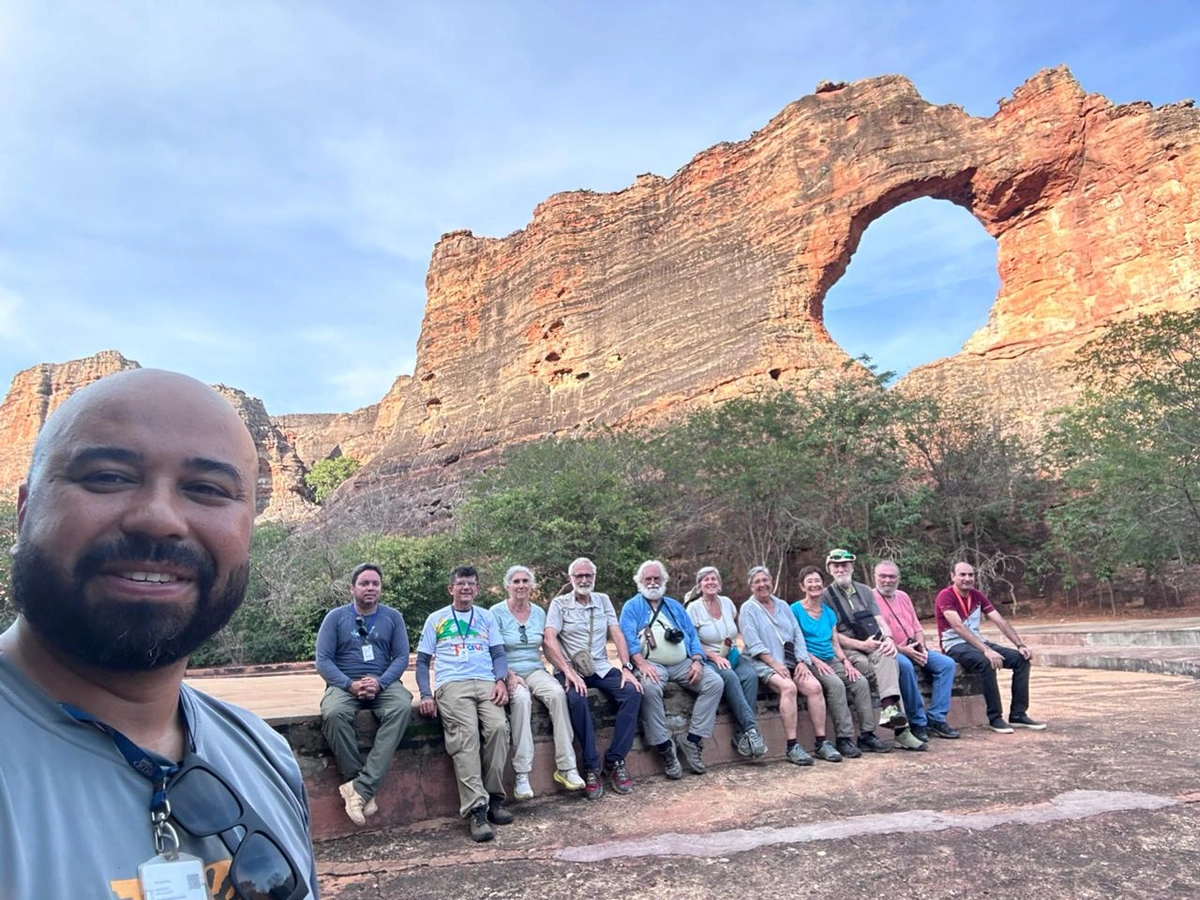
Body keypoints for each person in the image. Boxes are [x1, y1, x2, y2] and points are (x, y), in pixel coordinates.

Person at [0, 369, 317, 899]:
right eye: (108, 476)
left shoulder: (266, 755)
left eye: (207, 489)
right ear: (27, 509)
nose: (159, 519)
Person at [415, 566, 512, 842]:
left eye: (471, 584)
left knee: (497, 729)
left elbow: (498, 654)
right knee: (465, 738)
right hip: (452, 684)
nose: (466, 588)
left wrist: (501, 680)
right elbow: (422, 661)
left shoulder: (487, 617)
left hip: (486, 681)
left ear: (478, 589)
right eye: (460, 584)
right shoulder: (437, 619)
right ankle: (476, 809)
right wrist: (425, 693)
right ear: (451, 589)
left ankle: (494, 798)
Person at [316, 562, 413, 826]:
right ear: (352, 588)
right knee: (334, 713)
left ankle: (359, 789)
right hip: (344, 684)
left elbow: (402, 656)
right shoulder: (335, 618)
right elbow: (323, 660)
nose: (370, 588)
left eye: (375, 584)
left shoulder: (393, 617)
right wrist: (349, 684)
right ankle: (362, 788)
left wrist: (381, 682)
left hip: (383, 683)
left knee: (402, 706)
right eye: (364, 583)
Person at [542, 557, 643, 800]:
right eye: (579, 576)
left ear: (594, 578)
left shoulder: (603, 600)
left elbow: (617, 634)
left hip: (599, 666)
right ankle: (590, 766)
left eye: (589, 576)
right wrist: (567, 671)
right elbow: (549, 639)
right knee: (576, 701)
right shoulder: (560, 604)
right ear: (571, 579)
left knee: (633, 692)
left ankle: (615, 759)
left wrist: (626, 667)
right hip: (571, 669)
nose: (584, 580)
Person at [620, 560, 725, 778]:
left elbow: (691, 635)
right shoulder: (632, 607)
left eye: (656, 578)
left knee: (715, 683)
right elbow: (627, 639)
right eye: (647, 579)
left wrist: (697, 660)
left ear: (663, 580)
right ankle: (665, 747)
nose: (652, 583)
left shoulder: (674, 606)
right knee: (648, 688)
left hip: (682, 663)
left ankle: (692, 740)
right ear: (639, 582)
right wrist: (641, 664)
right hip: (651, 663)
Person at [489, 565, 585, 799]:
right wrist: (508, 674)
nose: (521, 585)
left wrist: (567, 670)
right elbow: (493, 650)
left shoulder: (539, 613)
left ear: (531, 586)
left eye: (525, 581)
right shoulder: (496, 612)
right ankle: (522, 774)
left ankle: (567, 767)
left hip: (535, 669)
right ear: (507, 586)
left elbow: (548, 649)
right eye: (516, 581)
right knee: (521, 700)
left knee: (557, 694)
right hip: (509, 670)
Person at [820, 549, 927, 751]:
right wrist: (861, 645)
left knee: (889, 655)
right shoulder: (826, 595)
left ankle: (892, 716)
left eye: (845, 565)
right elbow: (832, 634)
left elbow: (880, 620)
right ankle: (898, 728)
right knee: (881, 672)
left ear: (852, 567)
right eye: (836, 565)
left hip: (873, 641)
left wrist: (887, 638)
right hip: (848, 647)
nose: (841, 569)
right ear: (830, 569)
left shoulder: (864, 591)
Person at [935, 562, 1048, 734]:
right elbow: (958, 627)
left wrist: (1020, 645)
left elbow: (1000, 620)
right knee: (986, 662)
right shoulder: (946, 596)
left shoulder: (977, 596)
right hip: (954, 645)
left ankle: (1018, 714)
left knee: (1021, 660)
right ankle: (995, 717)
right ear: (953, 576)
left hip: (977, 642)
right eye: (962, 575)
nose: (967, 579)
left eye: (970, 575)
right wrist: (986, 650)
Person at [791, 566, 890, 759]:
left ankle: (867, 734)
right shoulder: (794, 610)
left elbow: (834, 641)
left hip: (831, 658)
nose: (814, 585)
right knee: (836, 685)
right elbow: (796, 641)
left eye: (817, 581)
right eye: (809, 582)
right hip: (809, 659)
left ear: (823, 584)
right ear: (802, 587)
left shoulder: (828, 612)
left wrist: (845, 662)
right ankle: (844, 738)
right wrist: (815, 661)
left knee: (859, 681)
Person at [738, 565, 827, 765]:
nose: (762, 585)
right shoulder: (748, 609)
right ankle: (792, 745)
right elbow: (753, 643)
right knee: (788, 687)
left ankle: (821, 742)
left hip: (791, 661)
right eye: (757, 582)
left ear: (771, 582)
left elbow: (797, 635)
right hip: (764, 662)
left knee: (814, 687)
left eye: (765, 580)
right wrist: (775, 664)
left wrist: (802, 661)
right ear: (751, 586)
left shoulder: (783, 605)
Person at [684, 566, 767, 759]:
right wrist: (714, 656)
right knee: (729, 677)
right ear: (699, 585)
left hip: (732, 656)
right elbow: (690, 642)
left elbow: (736, 628)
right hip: (709, 658)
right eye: (706, 580)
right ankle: (752, 730)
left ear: (720, 584)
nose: (710, 582)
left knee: (750, 676)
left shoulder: (728, 603)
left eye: (714, 579)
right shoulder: (693, 608)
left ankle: (741, 736)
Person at [873, 560, 960, 740]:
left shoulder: (904, 596)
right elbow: (877, 636)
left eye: (892, 576)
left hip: (915, 647)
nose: (887, 580)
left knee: (947, 664)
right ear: (875, 577)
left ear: (898, 578)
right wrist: (905, 651)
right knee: (905, 667)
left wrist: (922, 647)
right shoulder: (870, 599)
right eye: (883, 576)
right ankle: (917, 722)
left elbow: (917, 626)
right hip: (892, 651)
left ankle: (936, 718)